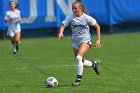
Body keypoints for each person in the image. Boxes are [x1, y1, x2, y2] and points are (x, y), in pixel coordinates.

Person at [58, 1, 101, 86]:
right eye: (72, 8)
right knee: (81, 61)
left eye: (75, 8)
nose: (74, 10)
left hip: (85, 40)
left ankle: (78, 80)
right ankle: (93, 64)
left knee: (78, 58)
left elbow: (97, 26)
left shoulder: (86, 18)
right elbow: (63, 25)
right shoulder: (71, 17)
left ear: (80, 8)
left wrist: (98, 40)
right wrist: (61, 32)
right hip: (75, 41)